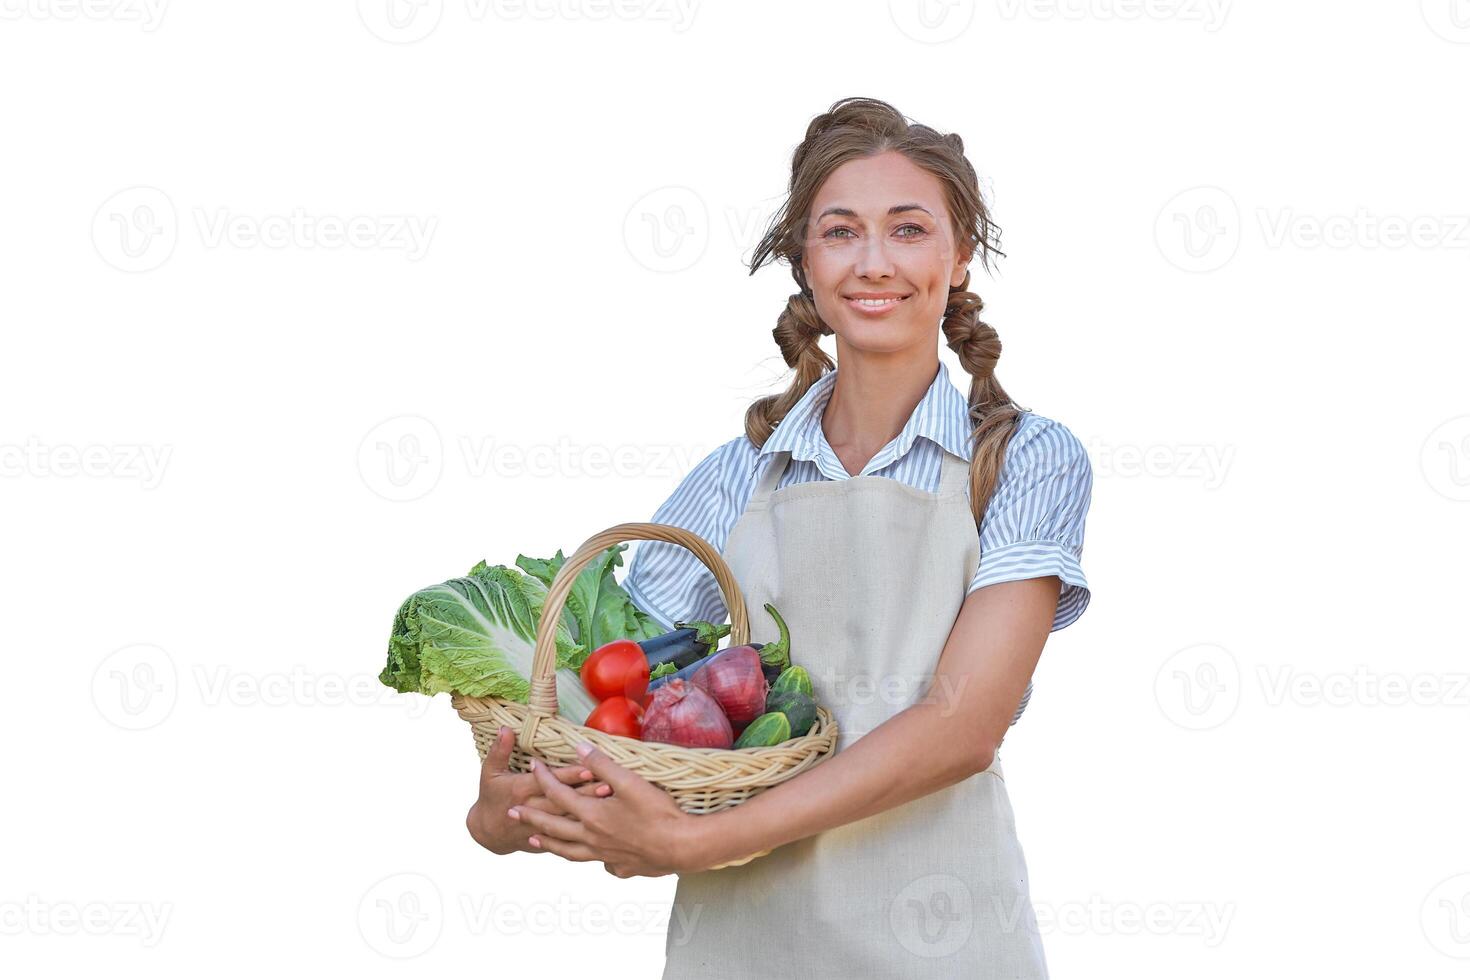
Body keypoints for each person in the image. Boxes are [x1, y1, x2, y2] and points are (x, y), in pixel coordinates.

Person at [466, 96, 1093, 978]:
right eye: (841, 232)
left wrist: (697, 843)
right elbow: (614, 699)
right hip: (741, 945)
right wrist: (509, 812)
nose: (875, 262)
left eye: (909, 230)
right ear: (805, 260)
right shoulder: (738, 472)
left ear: (959, 260)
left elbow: (963, 725)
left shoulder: (1024, 460)